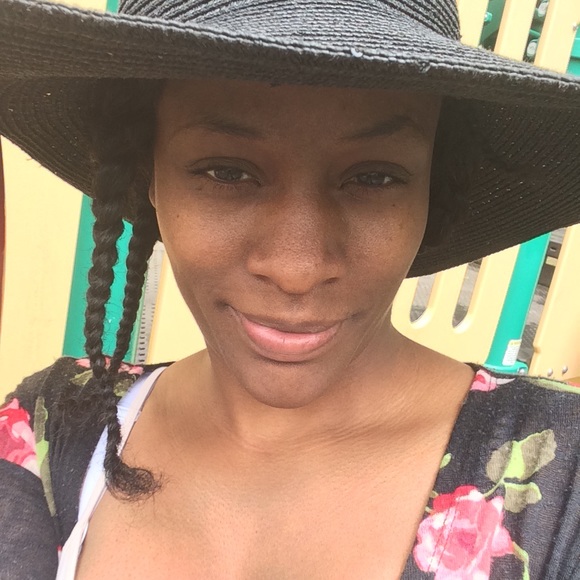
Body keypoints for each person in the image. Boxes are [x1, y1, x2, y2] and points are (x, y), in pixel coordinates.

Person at [0, 0, 579, 578]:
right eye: (227, 171)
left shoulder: (563, 478)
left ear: (433, 187)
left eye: (374, 177)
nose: (296, 269)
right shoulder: (54, 430)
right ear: (147, 175)